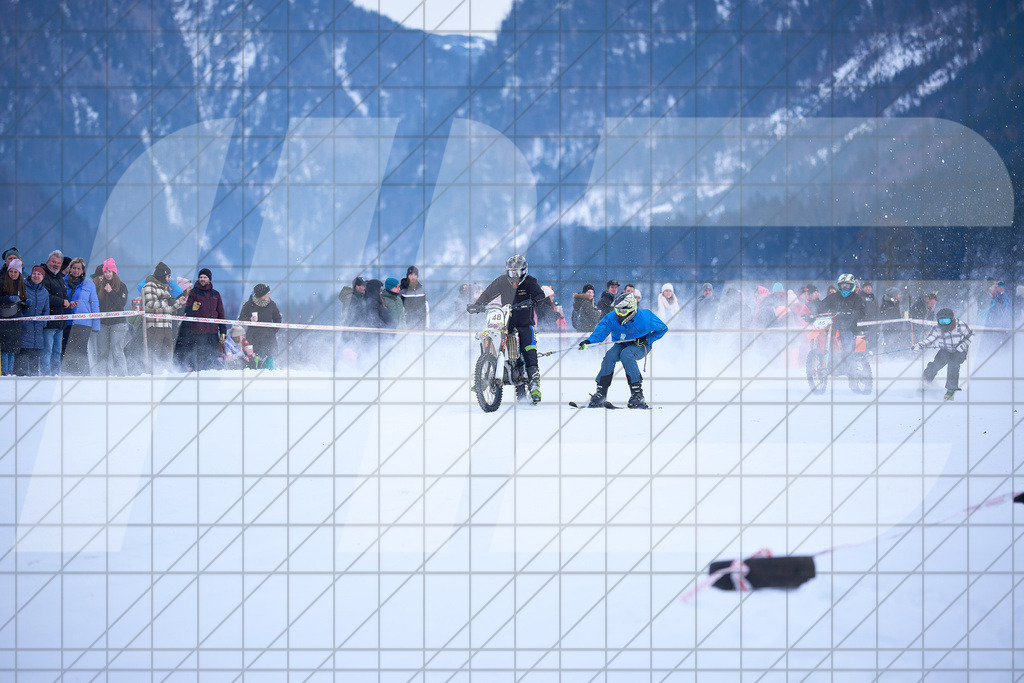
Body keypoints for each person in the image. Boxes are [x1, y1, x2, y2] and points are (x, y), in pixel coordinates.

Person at [472, 254, 546, 403]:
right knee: (492, 338)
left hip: (525, 322)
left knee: (529, 348)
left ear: (524, 271)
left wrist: (533, 302)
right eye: (511, 272)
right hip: (506, 321)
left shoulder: (530, 282)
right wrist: (479, 304)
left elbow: (540, 295)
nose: (514, 276)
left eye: (517, 272)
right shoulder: (502, 281)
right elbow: (488, 293)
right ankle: (484, 374)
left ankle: (535, 384)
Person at [578, 291, 667, 409]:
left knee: (627, 355)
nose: (619, 314)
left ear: (632, 309)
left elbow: (663, 329)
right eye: (617, 310)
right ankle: (601, 393)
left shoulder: (646, 317)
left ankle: (637, 395)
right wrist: (588, 342)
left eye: (623, 311)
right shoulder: (611, 317)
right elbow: (600, 332)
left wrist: (646, 339)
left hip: (640, 344)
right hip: (621, 343)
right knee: (609, 356)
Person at [911, 308, 973, 400]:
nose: (943, 323)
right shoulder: (937, 329)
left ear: (952, 320)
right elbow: (929, 339)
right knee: (935, 365)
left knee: (953, 365)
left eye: (946, 321)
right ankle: (925, 382)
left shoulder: (961, 325)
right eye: (941, 321)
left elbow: (970, 335)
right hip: (945, 350)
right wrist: (919, 345)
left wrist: (963, 345)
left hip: (959, 351)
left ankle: (951, 390)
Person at [817, 273, 867, 375]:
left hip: (848, 328)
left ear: (852, 285)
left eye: (847, 285)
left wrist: (854, 313)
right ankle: (828, 363)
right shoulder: (834, 297)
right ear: (839, 286)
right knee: (823, 339)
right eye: (842, 285)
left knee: (847, 347)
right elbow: (821, 306)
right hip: (833, 327)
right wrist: (812, 313)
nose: (844, 287)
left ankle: (851, 368)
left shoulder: (856, 298)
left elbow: (862, 312)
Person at [142, 262, 188, 373]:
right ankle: (152, 374)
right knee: (155, 352)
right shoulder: (149, 286)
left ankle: (167, 373)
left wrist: (178, 303)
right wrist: (167, 301)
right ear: (163, 275)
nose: (169, 278)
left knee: (168, 354)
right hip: (155, 326)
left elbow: (168, 309)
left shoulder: (164, 288)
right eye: (168, 276)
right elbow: (150, 304)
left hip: (167, 325)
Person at [182, 268, 228, 371]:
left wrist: (223, 331)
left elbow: (221, 314)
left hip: (213, 333)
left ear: (209, 279)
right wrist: (191, 308)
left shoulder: (216, 294)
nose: (202, 279)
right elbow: (185, 309)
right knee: (199, 359)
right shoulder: (194, 292)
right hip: (198, 332)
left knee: (212, 358)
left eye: (204, 277)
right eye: (200, 277)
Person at [63, 257, 100, 376]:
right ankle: (68, 373)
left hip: (84, 323)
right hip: (67, 321)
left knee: (81, 349)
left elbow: (94, 304)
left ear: (83, 270)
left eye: (78, 268)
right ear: (70, 268)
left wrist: (96, 325)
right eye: (73, 268)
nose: (75, 270)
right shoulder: (63, 281)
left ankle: (83, 373)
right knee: (68, 349)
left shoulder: (89, 284)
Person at [94, 258, 129, 376]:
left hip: (118, 323)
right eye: (105, 272)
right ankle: (102, 376)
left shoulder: (122, 286)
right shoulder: (99, 288)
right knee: (102, 352)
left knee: (117, 351)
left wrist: (111, 292)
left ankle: (122, 376)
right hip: (103, 323)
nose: (108, 274)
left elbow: (121, 304)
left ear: (114, 272)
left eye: (110, 272)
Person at [39, 250, 69, 376]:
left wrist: (68, 303)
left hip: (60, 323)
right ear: (48, 262)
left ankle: (55, 374)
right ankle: (45, 374)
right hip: (49, 322)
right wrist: (62, 302)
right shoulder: (44, 276)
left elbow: (63, 296)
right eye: (53, 262)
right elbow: (46, 296)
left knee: (57, 351)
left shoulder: (60, 278)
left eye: (58, 262)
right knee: (47, 350)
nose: (55, 264)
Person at [238, 283, 283, 366]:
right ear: (260, 295)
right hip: (253, 338)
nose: (269, 296)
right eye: (267, 294)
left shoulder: (272, 304)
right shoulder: (248, 305)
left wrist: (273, 331)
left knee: (269, 362)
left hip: (268, 338)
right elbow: (241, 319)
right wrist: (250, 320)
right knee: (254, 363)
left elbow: (278, 319)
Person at [18, 265, 49, 376]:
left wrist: (43, 322)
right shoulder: (23, 287)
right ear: (31, 275)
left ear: (43, 277)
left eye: (39, 274)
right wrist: (23, 321)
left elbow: (46, 310)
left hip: (38, 331)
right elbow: (18, 306)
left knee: (35, 362)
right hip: (24, 329)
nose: (36, 276)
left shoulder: (45, 292)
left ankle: (34, 382)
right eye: (34, 273)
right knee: (22, 360)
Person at [0, 259, 27, 375]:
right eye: (11, 271)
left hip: (16, 321)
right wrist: (8, 299)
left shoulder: (20, 284)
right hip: (4, 320)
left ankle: (10, 372)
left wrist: (26, 304)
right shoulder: (2, 282)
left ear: (19, 273)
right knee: (5, 349)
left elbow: (20, 302)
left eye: (15, 272)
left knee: (12, 349)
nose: (13, 274)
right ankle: (5, 372)